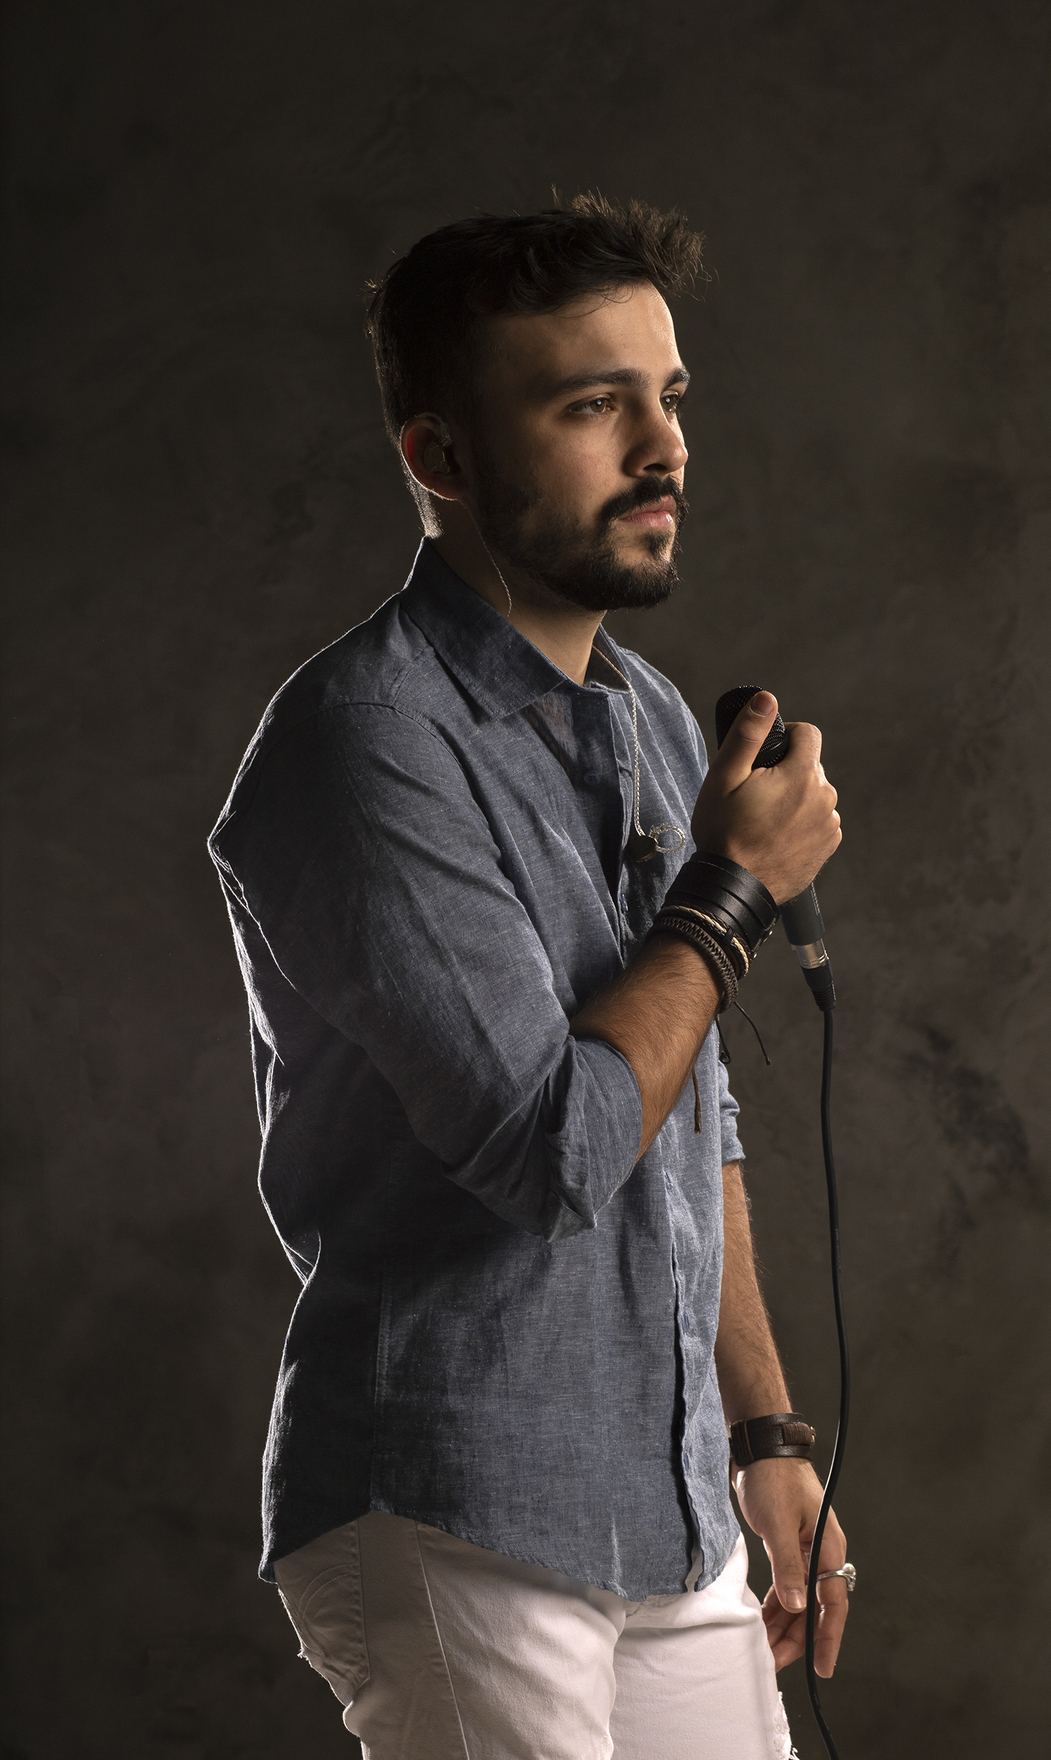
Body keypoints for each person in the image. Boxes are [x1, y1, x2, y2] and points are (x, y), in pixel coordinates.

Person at [209, 193, 848, 1760]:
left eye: (669, 397)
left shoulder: (653, 717)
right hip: (456, 1506)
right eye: (591, 406)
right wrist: (731, 893)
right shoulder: (365, 744)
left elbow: (690, 1110)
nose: (664, 449)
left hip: (665, 1497)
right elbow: (553, 1151)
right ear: (439, 457)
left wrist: (763, 1427)